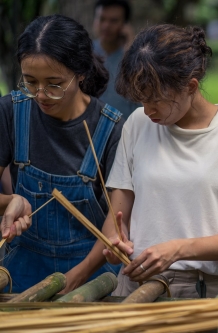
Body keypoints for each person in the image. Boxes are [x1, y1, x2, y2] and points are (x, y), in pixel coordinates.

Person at [101, 24, 218, 313]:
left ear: (191, 86)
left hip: (209, 291)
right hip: (138, 288)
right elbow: (117, 215)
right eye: (142, 100)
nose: (148, 110)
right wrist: (113, 241)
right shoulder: (137, 125)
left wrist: (177, 249)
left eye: (156, 99)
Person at [0, 14, 125, 293]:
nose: (41, 94)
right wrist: (10, 200)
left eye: (54, 84)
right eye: (30, 82)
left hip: (90, 277)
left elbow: (115, 222)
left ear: (80, 72)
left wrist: (76, 280)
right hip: (21, 273)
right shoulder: (12, 112)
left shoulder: (109, 128)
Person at [93, 0, 140, 119]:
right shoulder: (84, 52)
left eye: (113, 21)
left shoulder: (133, 57)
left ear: (125, 25)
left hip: (125, 131)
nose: (106, 26)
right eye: (102, 19)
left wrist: (131, 49)